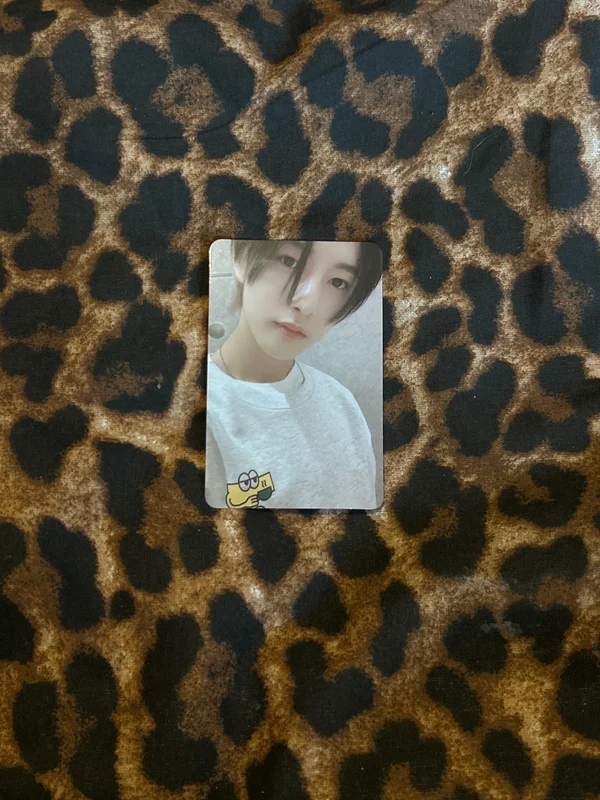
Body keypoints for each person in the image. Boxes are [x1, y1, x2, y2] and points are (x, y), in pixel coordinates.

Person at [205, 239, 382, 510]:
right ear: (241, 258)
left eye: (338, 282)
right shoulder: (196, 406)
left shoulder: (341, 402)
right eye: (289, 262)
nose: (307, 304)